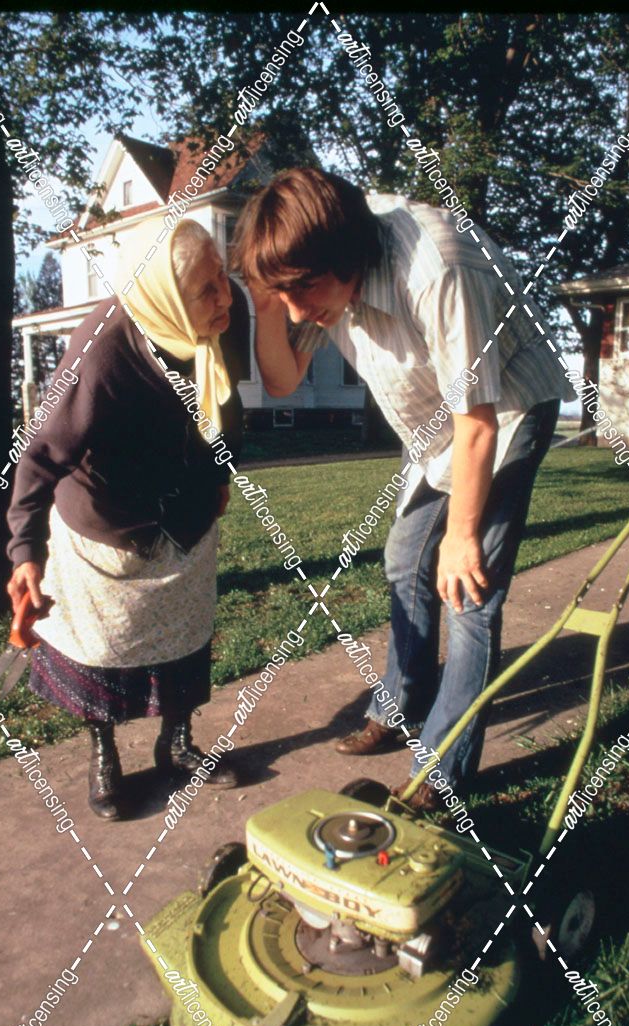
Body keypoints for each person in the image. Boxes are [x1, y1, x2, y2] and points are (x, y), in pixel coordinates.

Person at [234, 167, 572, 813]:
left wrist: (463, 536)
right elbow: (282, 379)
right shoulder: (314, 271)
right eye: (284, 293)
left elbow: (478, 423)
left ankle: (440, 779)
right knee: (404, 558)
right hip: (436, 426)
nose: (299, 310)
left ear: (348, 256)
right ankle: (401, 705)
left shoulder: (438, 267)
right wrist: (265, 298)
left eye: (303, 289)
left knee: (468, 590)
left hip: (504, 408)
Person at [6, 220, 244, 819]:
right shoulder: (102, 350)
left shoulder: (223, 317)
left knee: (186, 636)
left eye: (223, 275)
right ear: (163, 298)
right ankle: (104, 754)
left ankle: (178, 743)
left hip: (184, 518)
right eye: (207, 289)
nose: (225, 296)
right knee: (102, 649)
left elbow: (229, 400)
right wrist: (24, 550)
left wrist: (220, 473)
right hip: (107, 526)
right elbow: (41, 454)